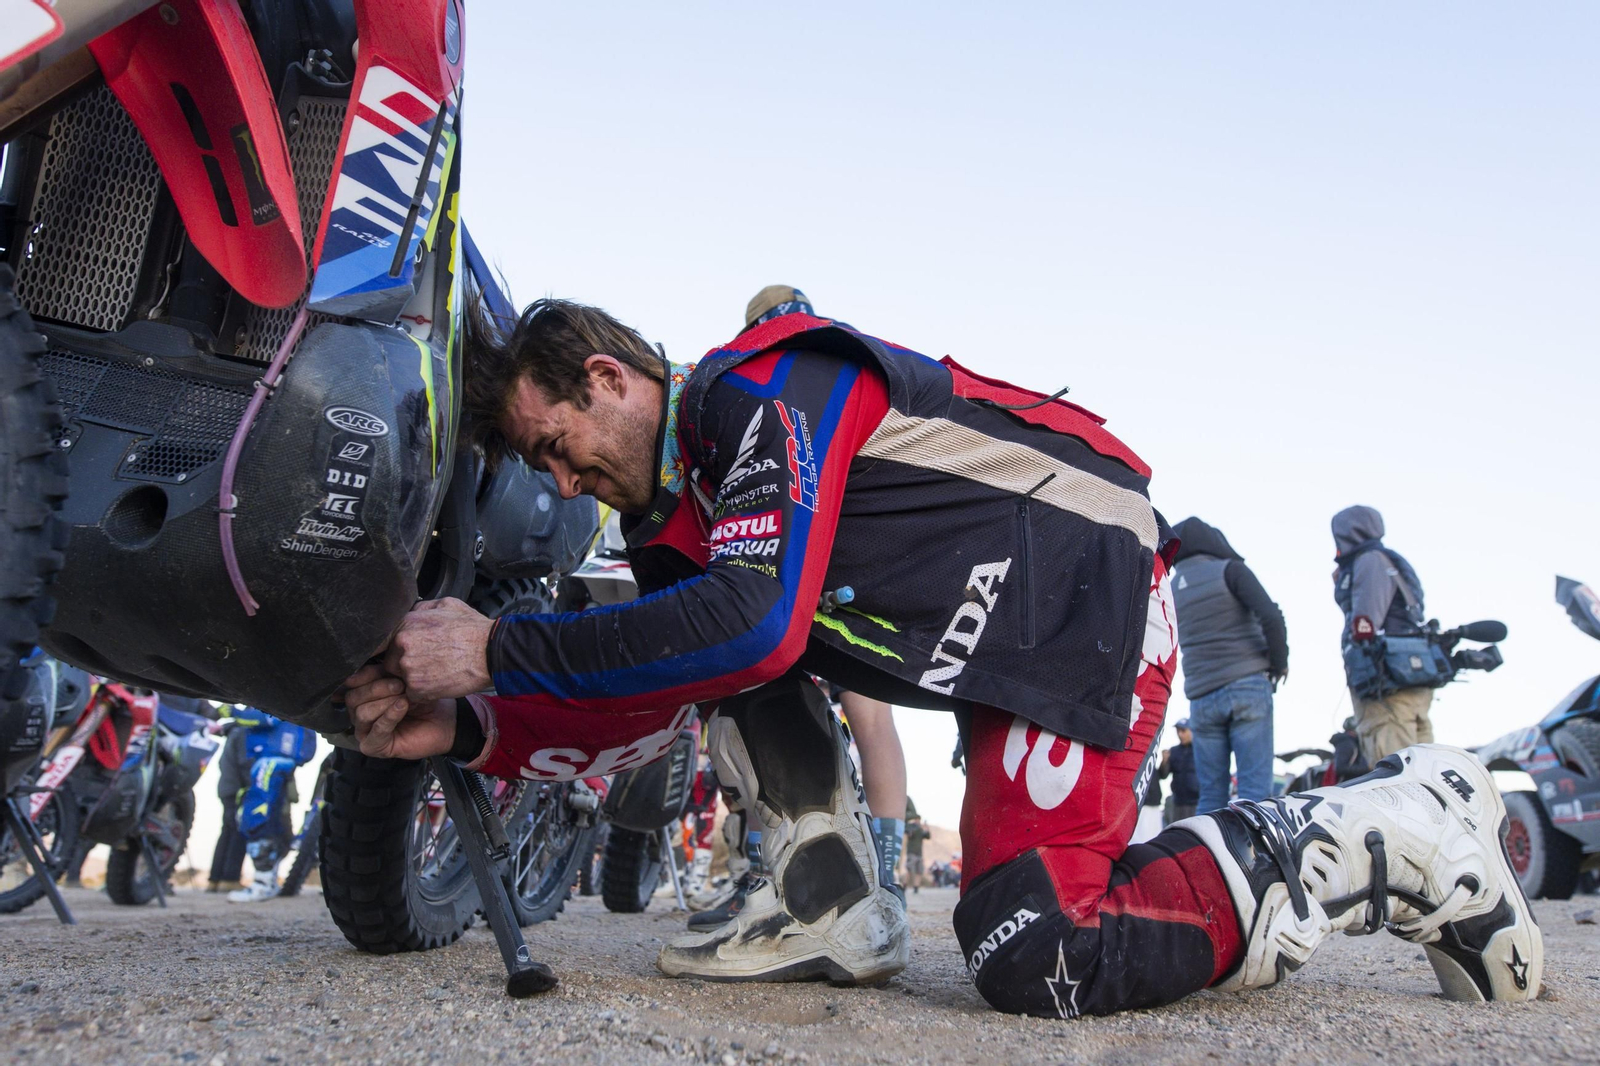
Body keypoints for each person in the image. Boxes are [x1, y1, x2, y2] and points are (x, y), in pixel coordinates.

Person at [344, 297, 1540, 1015]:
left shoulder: (765, 383)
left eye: (552, 446)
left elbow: (755, 621)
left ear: (607, 377)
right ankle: (829, 905)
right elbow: (660, 679)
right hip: (1002, 672)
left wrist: (500, 645)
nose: (559, 485)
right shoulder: (677, 522)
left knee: (1038, 955)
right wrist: (471, 728)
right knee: (694, 636)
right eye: (538, 476)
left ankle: (1389, 828)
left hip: (1100, 602)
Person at [1170, 517, 1287, 814]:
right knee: (1254, 793)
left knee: (1210, 797)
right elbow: (1271, 616)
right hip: (1246, 684)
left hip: (1201, 698)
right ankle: (1257, 860)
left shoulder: (1169, 589)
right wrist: (1278, 664)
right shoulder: (1230, 570)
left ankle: (1207, 859)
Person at [1332, 505, 1434, 764]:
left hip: (1385, 687)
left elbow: (1365, 622)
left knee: (1394, 774)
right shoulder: (1389, 559)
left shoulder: (1368, 561)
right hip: (1409, 678)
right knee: (1424, 769)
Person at [225, 707, 316, 903]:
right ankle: (269, 881)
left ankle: (263, 884)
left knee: (257, 817)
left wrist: (232, 712)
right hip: (279, 759)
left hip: (271, 759)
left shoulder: (276, 692)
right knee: (274, 820)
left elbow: (267, 718)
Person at [1157, 719, 1199, 824]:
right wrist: (1164, 761)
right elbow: (1163, 775)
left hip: (1197, 802)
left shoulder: (1200, 750)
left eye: (1183, 731)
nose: (1180, 734)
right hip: (1178, 802)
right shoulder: (1174, 751)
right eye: (1178, 731)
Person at [1330, 716, 1371, 783]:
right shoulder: (1346, 744)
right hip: (1349, 785)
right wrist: (1367, 768)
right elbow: (1340, 768)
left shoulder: (1355, 743)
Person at [903, 797, 931, 893]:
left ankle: (916, 887)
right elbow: (908, 833)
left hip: (919, 853)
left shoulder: (920, 829)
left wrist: (926, 828)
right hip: (911, 852)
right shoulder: (912, 827)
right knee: (910, 870)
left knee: (919, 871)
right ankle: (905, 885)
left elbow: (927, 836)